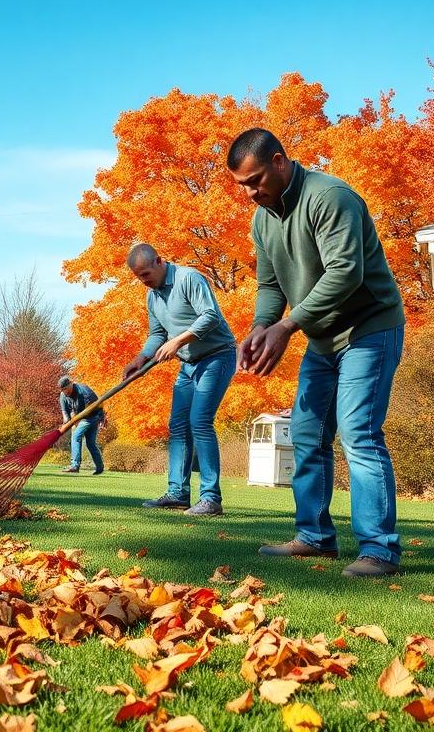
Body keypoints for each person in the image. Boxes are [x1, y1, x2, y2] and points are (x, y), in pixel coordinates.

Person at [228, 128, 406, 578]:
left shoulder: (330, 197)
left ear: (280, 161)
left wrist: (288, 326)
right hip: (322, 338)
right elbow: (270, 286)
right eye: (242, 186)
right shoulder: (263, 219)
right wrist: (260, 326)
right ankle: (314, 537)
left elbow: (345, 273)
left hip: (369, 329)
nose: (250, 192)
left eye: (255, 180)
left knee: (359, 433)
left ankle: (379, 550)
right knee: (307, 435)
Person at [123, 244, 237, 516]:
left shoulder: (189, 278)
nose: (144, 281)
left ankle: (211, 498)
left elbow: (210, 316)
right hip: (188, 364)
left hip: (217, 356)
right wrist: (142, 357)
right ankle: (177, 493)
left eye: (146, 274)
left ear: (159, 261)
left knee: (200, 421)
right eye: (138, 277)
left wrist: (178, 341)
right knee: (177, 425)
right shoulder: (153, 296)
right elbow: (157, 333)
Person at [58, 376, 105, 475]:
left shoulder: (84, 391)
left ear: (71, 384)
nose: (64, 392)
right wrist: (66, 422)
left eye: (65, 388)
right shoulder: (63, 395)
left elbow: (99, 405)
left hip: (92, 417)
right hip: (80, 418)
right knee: (91, 444)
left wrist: (102, 419)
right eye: (62, 390)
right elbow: (65, 413)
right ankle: (100, 467)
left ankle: (75, 465)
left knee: (75, 437)